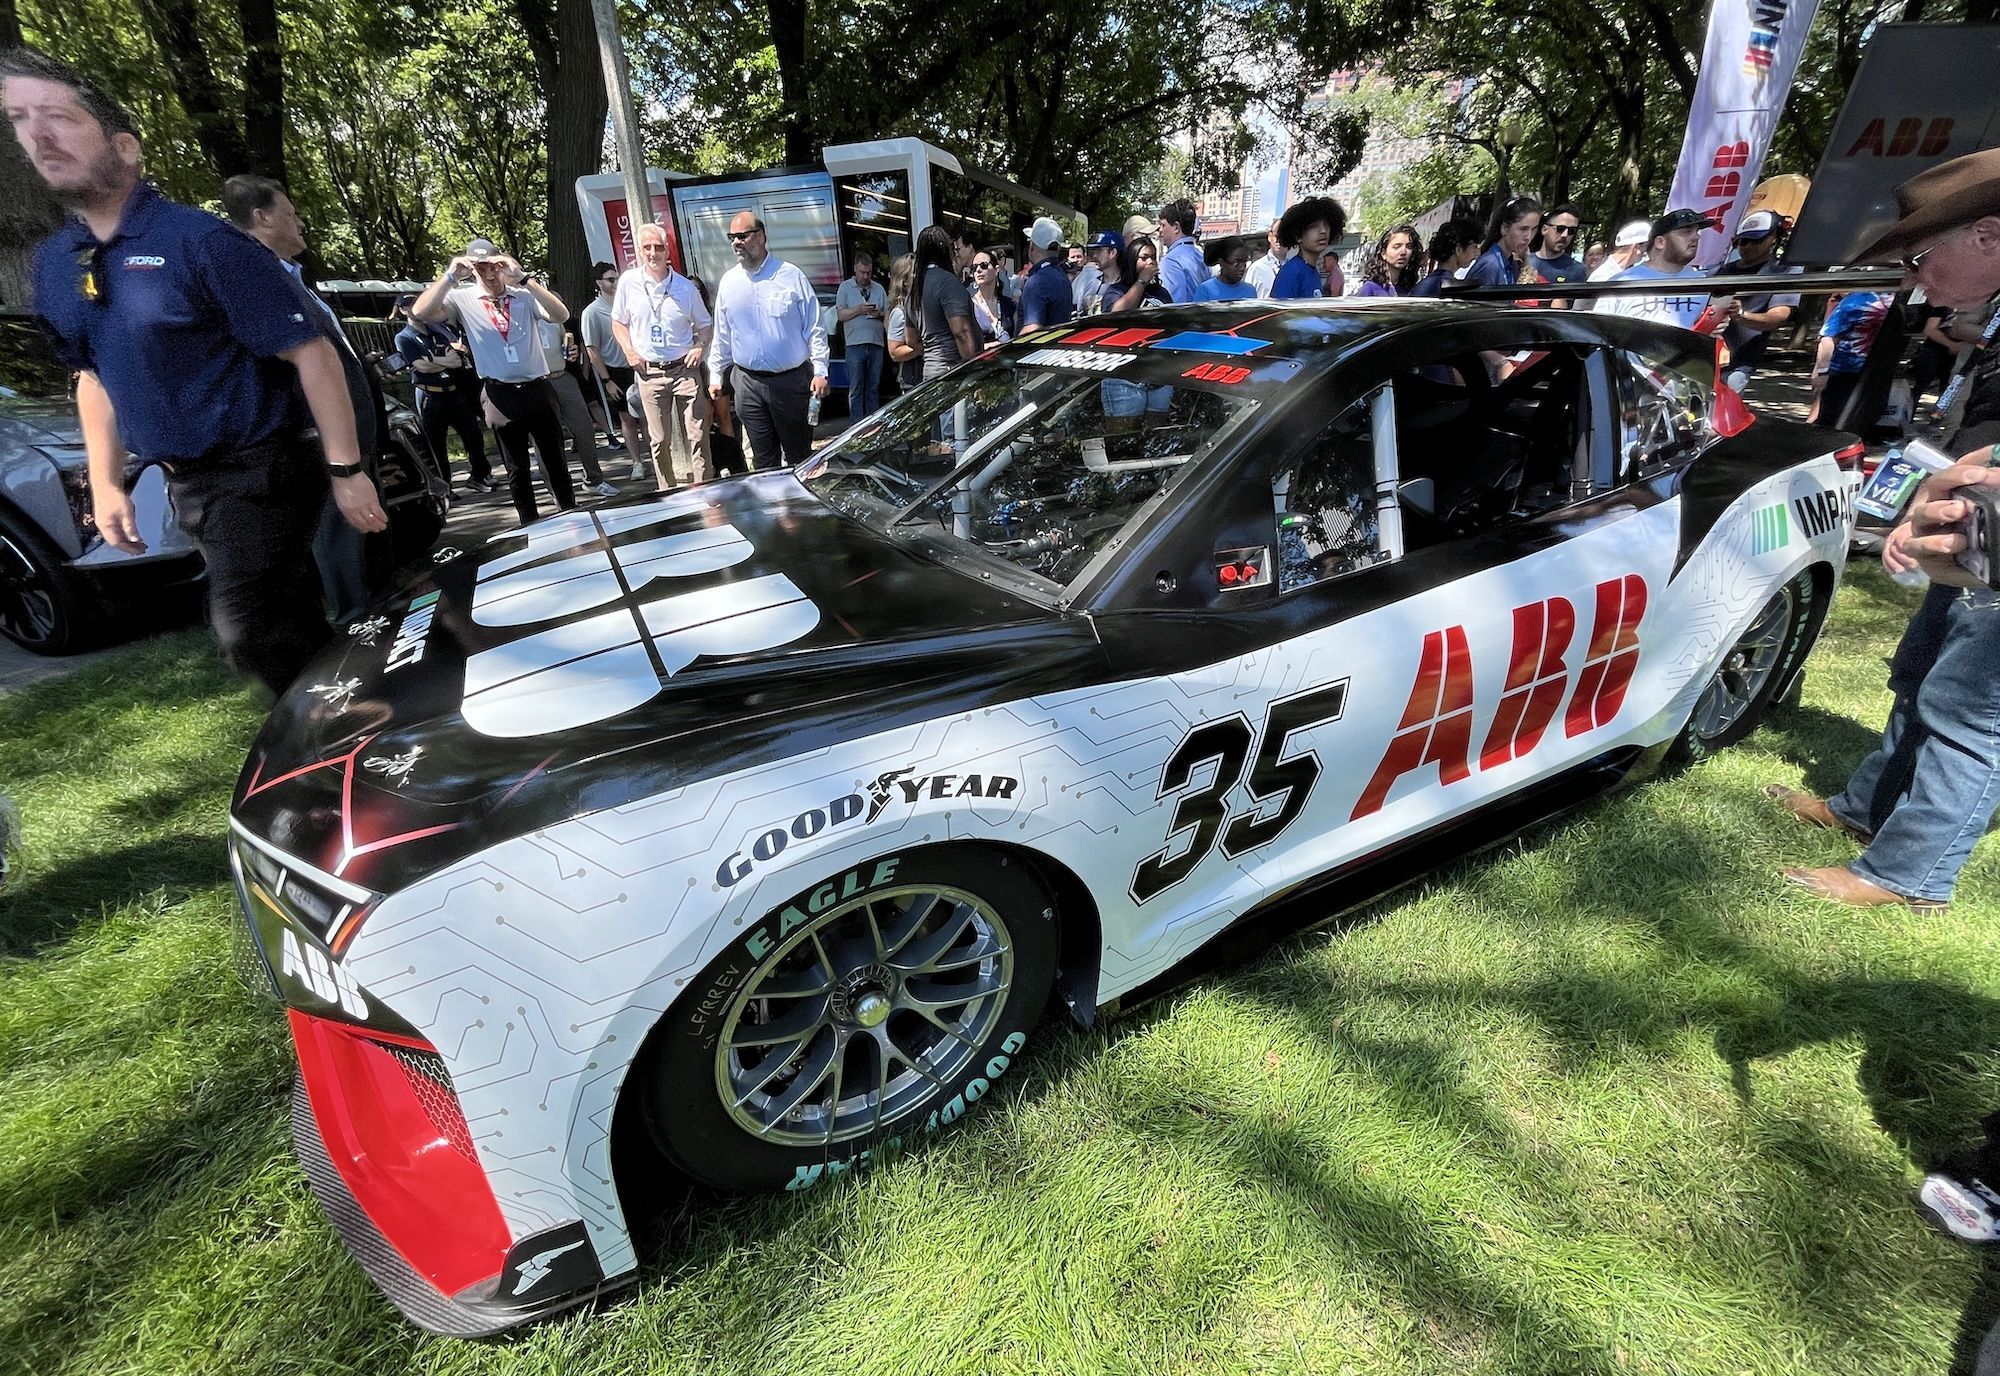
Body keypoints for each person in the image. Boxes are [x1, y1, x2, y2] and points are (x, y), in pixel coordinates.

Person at [1759, 148, 2000, 1247]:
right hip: (1971, 559)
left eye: (1924, 248)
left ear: (1988, 239)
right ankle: (1866, 809)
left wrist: (1940, 497)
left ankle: (1908, 876)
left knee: (1966, 708)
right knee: (1916, 675)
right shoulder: (1984, 323)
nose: (1912, 269)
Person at [5, 46, 384, 695]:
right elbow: (92, 376)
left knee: (250, 629)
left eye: (60, 117)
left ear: (124, 147)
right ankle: (365, 726)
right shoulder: (54, 266)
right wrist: (105, 484)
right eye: (19, 119)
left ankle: (345, 740)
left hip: (262, 466)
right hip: (188, 484)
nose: (39, 135)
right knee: (284, 627)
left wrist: (347, 472)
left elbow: (312, 353)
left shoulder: (201, 243)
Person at [220, 173, 384, 626]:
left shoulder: (291, 278)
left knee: (358, 532)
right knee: (336, 534)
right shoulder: (256, 281)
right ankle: (355, 624)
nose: (301, 224)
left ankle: (368, 609)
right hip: (318, 438)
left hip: (351, 432)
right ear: (262, 217)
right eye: (290, 215)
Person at [410, 237, 577, 525]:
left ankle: (571, 516)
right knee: (517, 468)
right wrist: (450, 276)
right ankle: (530, 526)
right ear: (473, 270)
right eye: (482, 268)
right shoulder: (462, 298)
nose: (490, 275)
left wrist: (524, 277)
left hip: (537, 387)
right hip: (499, 393)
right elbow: (420, 311)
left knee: (555, 461)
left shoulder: (522, 295)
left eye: (494, 267)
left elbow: (561, 314)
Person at [707, 211, 827, 469]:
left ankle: (801, 508)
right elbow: (722, 334)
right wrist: (716, 375)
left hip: (791, 382)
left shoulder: (790, 276)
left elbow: (815, 327)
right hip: (748, 383)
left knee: (799, 457)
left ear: (761, 237)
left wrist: (821, 371)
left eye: (742, 236)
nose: (736, 242)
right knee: (763, 460)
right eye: (732, 237)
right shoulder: (729, 282)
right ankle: (772, 509)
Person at [614, 222, 714, 488]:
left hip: (685, 370)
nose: (652, 253)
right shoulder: (628, 283)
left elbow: (705, 325)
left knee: (698, 434)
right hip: (650, 372)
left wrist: (699, 347)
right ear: (639, 251)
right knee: (658, 440)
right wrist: (629, 351)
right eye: (646, 247)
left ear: (667, 251)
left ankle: (704, 490)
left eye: (658, 247)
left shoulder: (685, 288)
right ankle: (667, 493)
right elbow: (618, 322)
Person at [393, 293, 493, 492]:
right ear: (403, 310)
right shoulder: (404, 337)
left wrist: (431, 361)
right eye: (410, 306)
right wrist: (436, 362)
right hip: (429, 395)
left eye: (417, 303)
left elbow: (455, 361)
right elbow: (419, 366)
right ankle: (445, 485)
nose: (415, 308)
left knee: (473, 435)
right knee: (436, 444)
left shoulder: (439, 332)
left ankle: (479, 476)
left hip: (453, 393)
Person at [1713, 210, 1803, 392]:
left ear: (1773, 237)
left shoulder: (1783, 274)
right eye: (1743, 241)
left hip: (1740, 363)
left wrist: (1741, 315)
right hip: (1705, 358)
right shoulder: (1719, 273)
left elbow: (1778, 317)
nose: (1747, 246)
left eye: (1756, 240)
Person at [579, 261, 649, 481]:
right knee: (627, 418)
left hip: (640, 366)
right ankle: (637, 462)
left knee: (649, 417)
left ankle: (658, 460)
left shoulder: (629, 302)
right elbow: (592, 349)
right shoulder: (592, 312)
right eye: (610, 279)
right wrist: (607, 380)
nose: (615, 283)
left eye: (617, 278)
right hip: (616, 370)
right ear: (599, 283)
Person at [537, 312, 618, 497]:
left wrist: (572, 353)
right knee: (546, 438)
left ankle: (594, 480)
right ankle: (557, 491)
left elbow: (566, 346)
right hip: (537, 382)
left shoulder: (553, 318)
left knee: (585, 428)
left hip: (563, 376)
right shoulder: (518, 316)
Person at [1594, 209, 1711, 329]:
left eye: (1697, 231)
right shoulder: (1620, 283)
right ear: (1660, 242)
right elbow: (1600, 332)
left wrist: (1713, 327)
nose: (1696, 236)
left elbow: (1705, 325)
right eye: (1686, 231)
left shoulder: (1703, 282)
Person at [1809, 289, 1891, 428]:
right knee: (1831, 419)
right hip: (1845, 372)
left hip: (1875, 373)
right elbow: (1828, 337)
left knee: (1859, 420)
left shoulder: (1895, 300)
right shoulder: (1856, 301)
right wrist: (1822, 370)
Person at [914, 223, 979, 382]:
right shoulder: (947, 282)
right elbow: (961, 332)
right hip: (952, 372)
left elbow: (910, 338)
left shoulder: (916, 286)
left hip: (929, 370)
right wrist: (973, 368)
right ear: (944, 250)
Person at [834, 251, 888, 421]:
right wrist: (859, 309)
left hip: (876, 343)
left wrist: (878, 314)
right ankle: (856, 426)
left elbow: (888, 315)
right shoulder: (845, 287)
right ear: (855, 270)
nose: (865, 276)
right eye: (862, 272)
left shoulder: (878, 288)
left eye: (868, 272)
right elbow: (841, 315)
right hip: (854, 344)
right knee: (856, 388)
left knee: (873, 387)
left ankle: (873, 425)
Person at [1270, 196, 1344, 299]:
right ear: (1298, 236)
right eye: (1314, 226)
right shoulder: (1291, 272)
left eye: (1326, 225)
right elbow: (1279, 314)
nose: (1323, 231)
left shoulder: (1312, 270)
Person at [1461, 197, 1542, 290]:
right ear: (1504, 229)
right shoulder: (1490, 265)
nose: (1528, 236)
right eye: (1523, 229)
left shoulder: (1512, 263)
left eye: (1534, 229)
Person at [1018, 216, 1074, 330]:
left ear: (1032, 246)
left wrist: (1008, 347)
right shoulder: (1063, 277)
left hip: (1036, 348)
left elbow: (1032, 330)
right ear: (1058, 250)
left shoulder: (1037, 282)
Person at [1412, 219, 1482, 297]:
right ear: (1458, 250)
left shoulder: (1430, 282)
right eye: (1474, 247)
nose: (1478, 253)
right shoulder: (1447, 287)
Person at [1103, 235, 1171, 313]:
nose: (1150, 262)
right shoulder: (1116, 291)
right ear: (1132, 260)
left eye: (1153, 257)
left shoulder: (1161, 292)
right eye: (1144, 258)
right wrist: (1141, 282)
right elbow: (1115, 314)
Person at [1156, 198, 1206, 304]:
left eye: (1163, 225)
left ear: (1176, 227)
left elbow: (1174, 304)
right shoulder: (1200, 255)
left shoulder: (1170, 261)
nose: (1160, 230)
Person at [1527, 202, 1588, 287]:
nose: (1565, 235)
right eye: (1560, 229)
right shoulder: (1523, 264)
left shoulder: (1577, 270)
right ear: (1544, 229)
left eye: (1571, 231)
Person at [967, 247, 1017, 345]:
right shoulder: (970, 306)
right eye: (974, 267)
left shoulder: (1009, 305)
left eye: (984, 265)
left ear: (996, 269)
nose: (978, 270)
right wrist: (986, 347)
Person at [1356, 223, 1420, 297]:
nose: (1403, 252)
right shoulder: (1370, 288)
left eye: (1409, 247)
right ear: (1383, 253)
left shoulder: (1409, 288)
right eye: (1397, 247)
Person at [1588, 220, 1652, 285]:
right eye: (1647, 246)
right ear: (1635, 246)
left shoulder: (1620, 270)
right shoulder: (1604, 276)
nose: (1646, 253)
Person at [1195, 236, 1256, 301]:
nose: (1242, 268)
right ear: (1222, 262)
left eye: (1244, 262)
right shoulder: (1205, 290)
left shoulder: (1250, 290)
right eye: (1236, 262)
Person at [1247, 219, 1286, 298]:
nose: (1279, 241)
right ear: (1270, 237)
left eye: (1284, 236)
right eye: (1276, 236)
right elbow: (1247, 300)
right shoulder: (1257, 268)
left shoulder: (1294, 268)